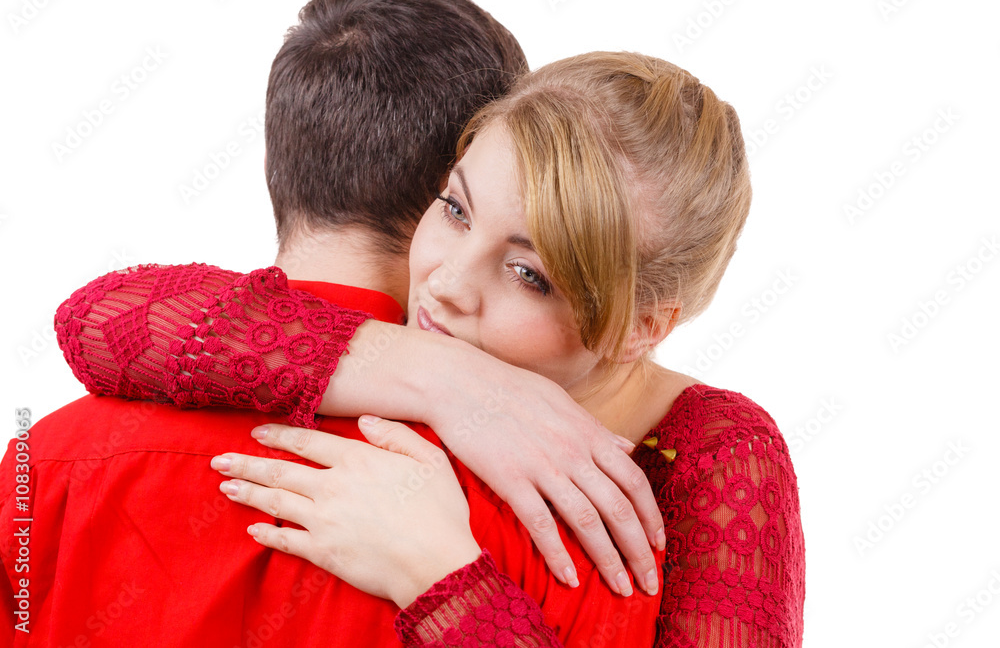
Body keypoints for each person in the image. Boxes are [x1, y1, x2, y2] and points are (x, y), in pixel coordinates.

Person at [47, 52, 806, 645]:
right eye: (453, 207)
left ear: (643, 328)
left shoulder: (717, 455)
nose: (444, 282)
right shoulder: (442, 366)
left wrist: (437, 571)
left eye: (527, 273)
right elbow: (97, 321)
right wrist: (448, 381)